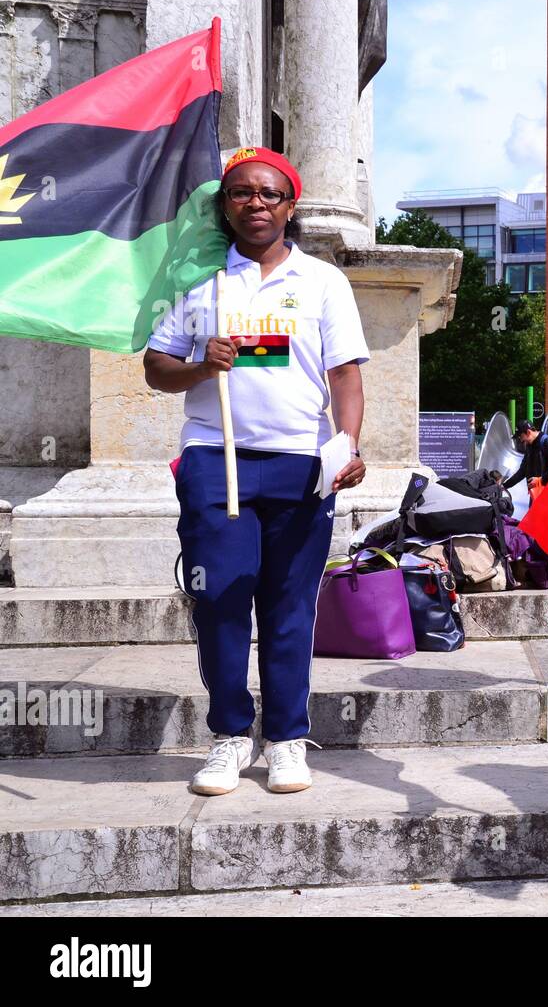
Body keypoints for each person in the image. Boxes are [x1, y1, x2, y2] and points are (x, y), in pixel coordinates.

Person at [144, 146, 369, 797]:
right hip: (219, 463)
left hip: (302, 465)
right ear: (226, 206)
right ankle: (229, 737)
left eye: (269, 193)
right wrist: (200, 364)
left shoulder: (323, 282)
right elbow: (157, 368)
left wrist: (347, 441)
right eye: (241, 192)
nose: (256, 203)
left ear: (289, 205)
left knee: (290, 606)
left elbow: (345, 373)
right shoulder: (199, 283)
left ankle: (288, 739)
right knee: (219, 598)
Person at [505, 420, 548, 492]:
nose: (521, 440)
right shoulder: (529, 446)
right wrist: (504, 486)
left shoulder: (547, 442)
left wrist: (541, 480)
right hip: (535, 492)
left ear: (528, 432)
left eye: (521, 436)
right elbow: (522, 471)